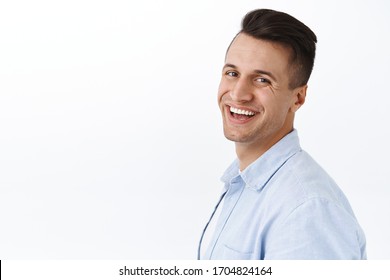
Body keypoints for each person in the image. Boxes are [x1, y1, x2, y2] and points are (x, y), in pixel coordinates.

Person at [198, 8, 366, 260]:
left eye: (262, 80)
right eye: (232, 73)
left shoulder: (306, 211)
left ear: (298, 97)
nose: (238, 93)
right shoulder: (245, 182)